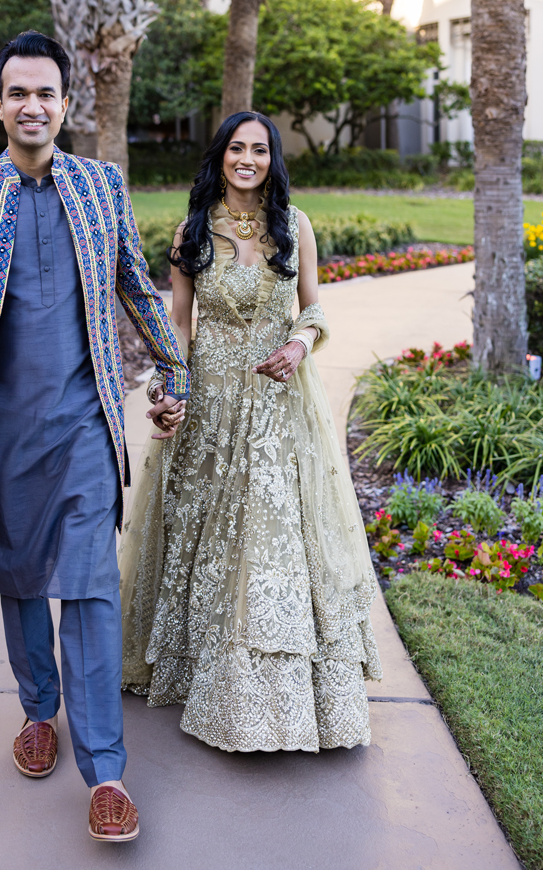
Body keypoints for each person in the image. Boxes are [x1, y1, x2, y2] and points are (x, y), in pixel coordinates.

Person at [0, 32, 189, 842]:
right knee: (20, 577)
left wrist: (176, 367)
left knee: (90, 587)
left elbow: (134, 284)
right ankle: (37, 710)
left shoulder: (100, 184)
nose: (33, 106)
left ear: (66, 103)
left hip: (84, 425)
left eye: (46, 93)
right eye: (18, 93)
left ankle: (107, 770)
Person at [119, 112, 382, 753]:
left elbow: (313, 309)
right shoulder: (192, 230)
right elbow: (179, 323)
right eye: (236, 148)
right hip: (208, 403)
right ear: (220, 156)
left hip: (276, 404)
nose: (247, 159)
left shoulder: (295, 225)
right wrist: (169, 389)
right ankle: (197, 673)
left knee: (268, 537)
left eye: (259, 149)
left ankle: (273, 698)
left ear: (272, 159)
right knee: (204, 536)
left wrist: (298, 345)